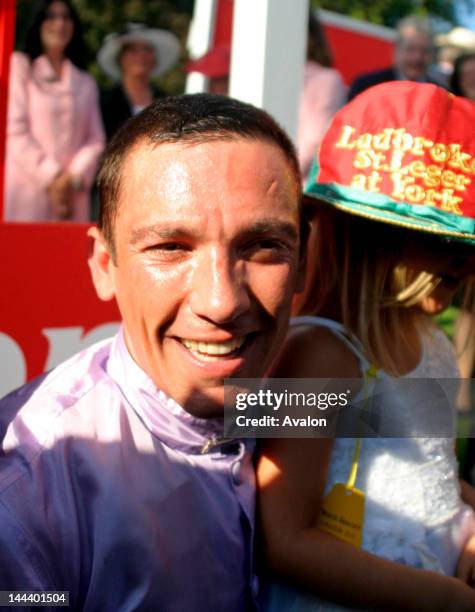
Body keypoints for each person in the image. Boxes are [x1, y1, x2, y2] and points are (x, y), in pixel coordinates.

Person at [0, 94, 307, 611]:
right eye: (171, 247)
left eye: (263, 245)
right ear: (104, 264)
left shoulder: (285, 394)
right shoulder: (27, 491)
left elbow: (408, 425)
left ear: (304, 259)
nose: (221, 302)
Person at [258, 81, 475, 611]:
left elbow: (432, 477)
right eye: (442, 239)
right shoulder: (319, 356)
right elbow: (280, 538)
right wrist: (447, 599)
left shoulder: (433, 341)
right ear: (366, 235)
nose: (464, 263)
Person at [186, 13, 346, 181]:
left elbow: (314, 140)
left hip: (293, 186)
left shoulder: (325, 79)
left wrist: (269, 176)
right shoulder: (256, 72)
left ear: (307, 36)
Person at [5, 0, 105, 222]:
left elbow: (96, 139)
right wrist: (52, 177)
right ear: (39, 22)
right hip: (26, 197)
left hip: (72, 198)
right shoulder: (20, 66)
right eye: (51, 16)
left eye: (66, 17)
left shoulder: (85, 81)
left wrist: (72, 178)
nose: (59, 23)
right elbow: (14, 130)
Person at [98, 23, 180, 140]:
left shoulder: (167, 103)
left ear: (154, 59)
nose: (141, 55)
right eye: (132, 50)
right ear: (120, 58)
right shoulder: (103, 102)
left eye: (147, 49)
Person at [348, 16, 439, 101]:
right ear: (397, 50)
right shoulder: (367, 86)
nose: (417, 57)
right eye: (411, 49)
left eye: (425, 51)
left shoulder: (439, 94)